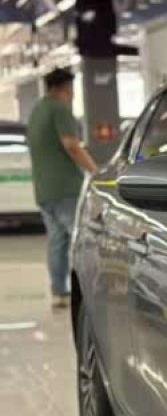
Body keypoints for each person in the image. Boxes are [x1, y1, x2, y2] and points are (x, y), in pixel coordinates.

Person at [26, 67, 97, 309]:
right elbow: (71, 145)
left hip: (44, 189)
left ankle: (59, 292)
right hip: (66, 187)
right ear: (66, 88)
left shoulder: (37, 110)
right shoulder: (59, 109)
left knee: (57, 241)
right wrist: (95, 171)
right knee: (80, 240)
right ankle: (88, 291)